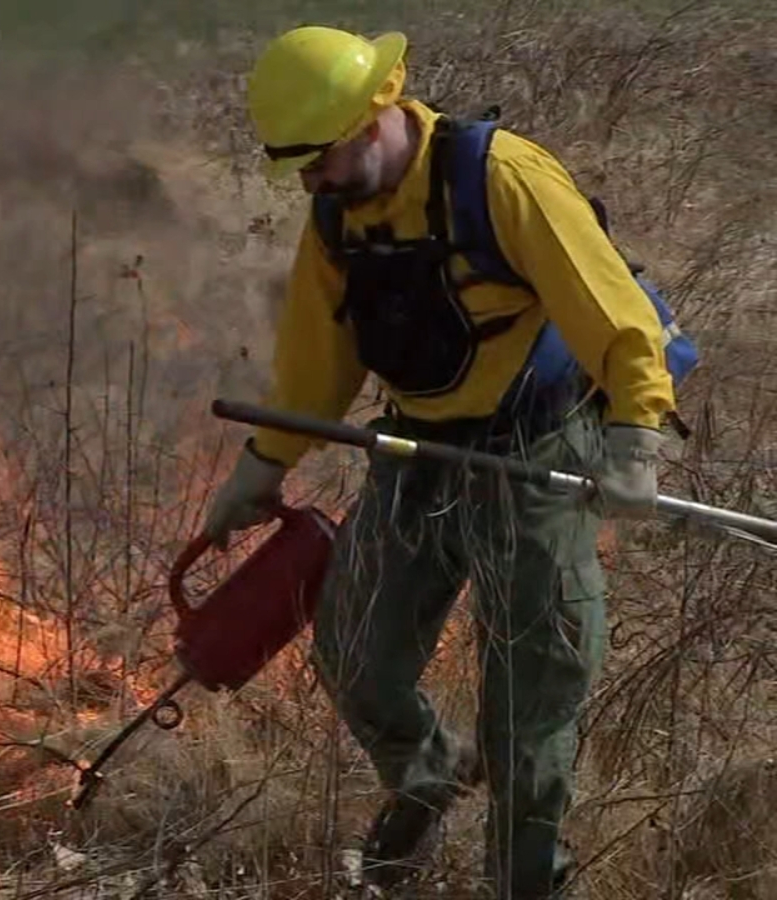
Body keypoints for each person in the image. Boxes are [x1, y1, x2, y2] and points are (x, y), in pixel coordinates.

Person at [201, 24, 677, 900]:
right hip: (415, 451)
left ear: (372, 115)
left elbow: (611, 311)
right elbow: (318, 362)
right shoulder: (338, 215)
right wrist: (262, 468)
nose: (308, 182)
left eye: (318, 159)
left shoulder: (500, 178)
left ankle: (525, 878)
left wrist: (635, 437)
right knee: (353, 654)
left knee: (531, 691)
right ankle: (428, 771)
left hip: (532, 450)